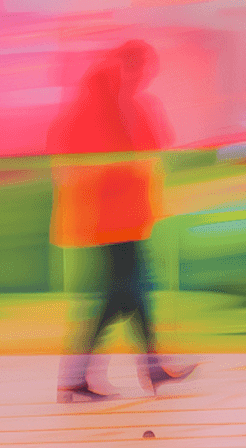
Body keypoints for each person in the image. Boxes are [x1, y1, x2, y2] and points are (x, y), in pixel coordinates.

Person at [50, 40, 194, 402]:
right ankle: (86, 375)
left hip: (116, 217)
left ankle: (142, 368)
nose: (147, 78)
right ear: (132, 66)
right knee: (123, 293)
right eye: (144, 70)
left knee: (127, 292)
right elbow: (142, 145)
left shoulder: (109, 100)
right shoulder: (113, 103)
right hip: (114, 219)